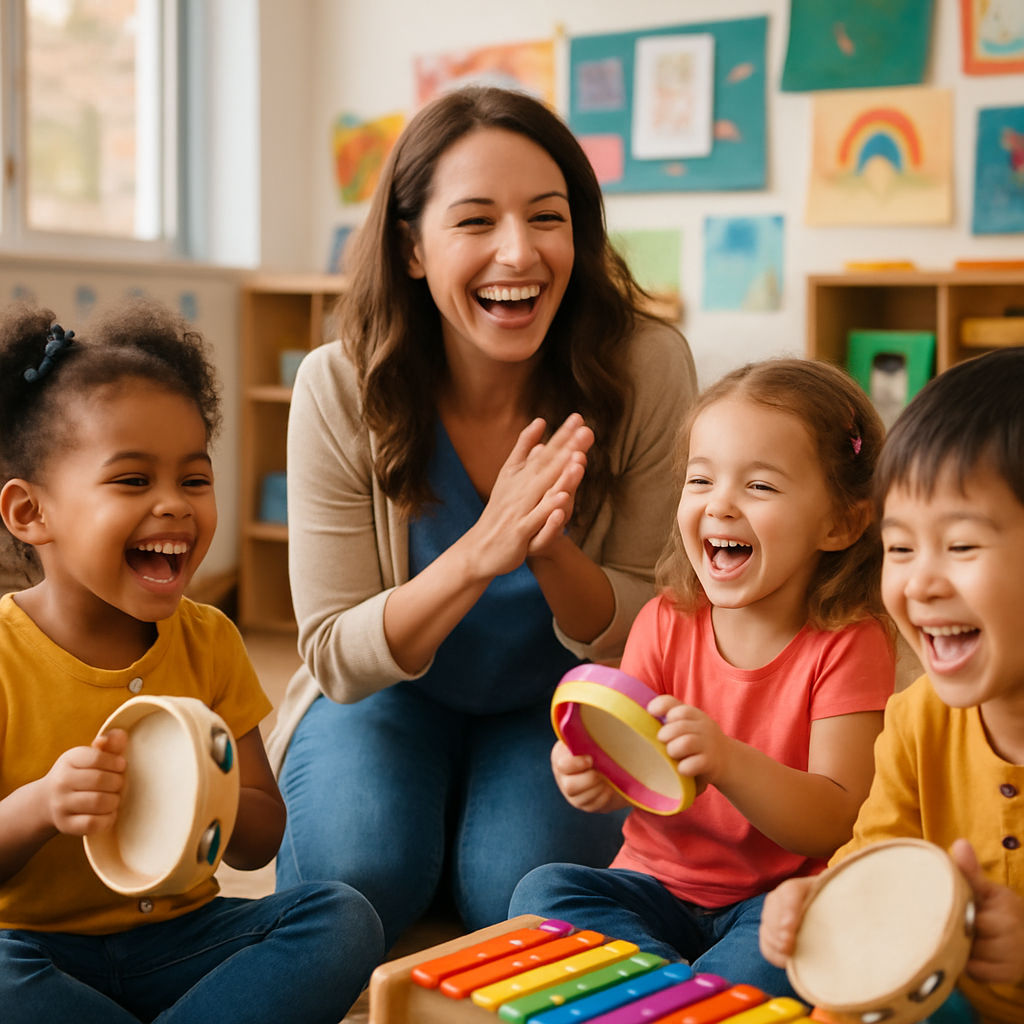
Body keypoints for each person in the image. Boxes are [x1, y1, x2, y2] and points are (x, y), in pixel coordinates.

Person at [267, 85, 698, 950]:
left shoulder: (648, 366)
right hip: (385, 696)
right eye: (474, 221)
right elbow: (335, 655)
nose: (519, 253)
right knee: (359, 880)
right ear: (413, 248)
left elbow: (658, 623)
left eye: (548, 217)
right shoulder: (337, 385)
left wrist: (545, 552)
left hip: (559, 699)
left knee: (528, 901)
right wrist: (480, 550)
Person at [0, 304, 384, 1024]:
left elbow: (260, 841)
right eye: (133, 482)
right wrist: (43, 806)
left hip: (180, 941)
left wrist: (212, 792)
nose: (175, 506)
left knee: (343, 917)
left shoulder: (208, 639)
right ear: (30, 513)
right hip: (41, 949)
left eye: (195, 480)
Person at [509, 359, 896, 996]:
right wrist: (599, 775)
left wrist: (727, 760)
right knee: (541, 891)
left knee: (804, 944)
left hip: (774, 904)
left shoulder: (851, 643)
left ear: (842, 523)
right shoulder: (664, 621)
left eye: (761, 487)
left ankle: (665, 990)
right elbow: (636, 772)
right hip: (654, 885)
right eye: (701, 480)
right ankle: (686, 991)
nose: (720, 504)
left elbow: (837, 818)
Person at [759, 348, 1024, 1024]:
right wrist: (821, 905)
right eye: (901, 549)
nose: (920, 582)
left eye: (961, 547)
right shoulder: (915, 720)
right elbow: (874, 864)